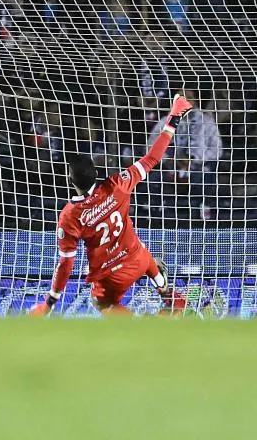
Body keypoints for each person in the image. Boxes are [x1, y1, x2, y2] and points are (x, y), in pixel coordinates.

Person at [29, 94, 193, 316]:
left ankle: (140, 327)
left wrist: (49, 302)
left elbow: (66, 264)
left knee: (101, 303)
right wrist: (173, 118)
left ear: (70, 181)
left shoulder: (70, 215)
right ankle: (169, 296)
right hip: (139, 260)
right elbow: (152, 158)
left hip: (111, 276)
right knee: (146, 255)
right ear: (96, 173)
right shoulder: (118, 185)